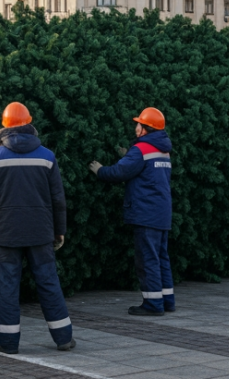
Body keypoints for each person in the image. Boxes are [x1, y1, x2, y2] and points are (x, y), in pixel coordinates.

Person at [0, 102, 74, 354]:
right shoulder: (47, 156)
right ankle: (64, 338)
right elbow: (57, 199)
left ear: (4, 125)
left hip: (5, 232)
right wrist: (59, 230)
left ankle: (7, 343)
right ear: (29, 124)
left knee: (8, 286)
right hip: (40, 231)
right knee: (49, 282)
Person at [88, 107, 174, 315]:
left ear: (145, 129)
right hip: (161, 212)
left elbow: (120, 172)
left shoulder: (141, 149)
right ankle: (166, 300)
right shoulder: (163, 149)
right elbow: (146, 171)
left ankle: (153, 304)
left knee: (147, 259)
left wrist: (100, 170)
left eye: (138, 124)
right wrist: (129, 155)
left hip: (145, 213)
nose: (135, 127)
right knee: (161, 256)